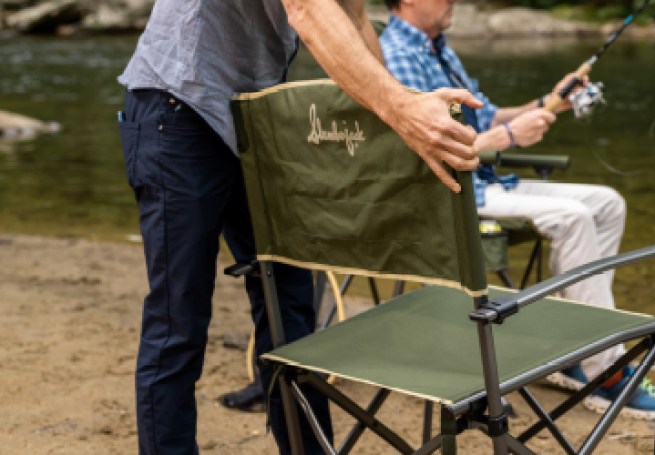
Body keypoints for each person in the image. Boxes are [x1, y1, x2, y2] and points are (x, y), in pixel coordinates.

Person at [116, 1, 481, 453]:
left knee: (290, 308)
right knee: (178, 320)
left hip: (252, 116)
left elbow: (355, 17)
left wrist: (403, 125)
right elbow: (306, 9)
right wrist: (401, 108)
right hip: (178, 108)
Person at [379, 0, 655, 419]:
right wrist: (506, 138)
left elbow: (486, 118)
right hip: (449, 193)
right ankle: (606, 372)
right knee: (573, 219)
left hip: (484, 181)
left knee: (608, 204)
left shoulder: (436, 47)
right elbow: (424, 146)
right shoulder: (397, 55)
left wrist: (549, 100)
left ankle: (572, 350)